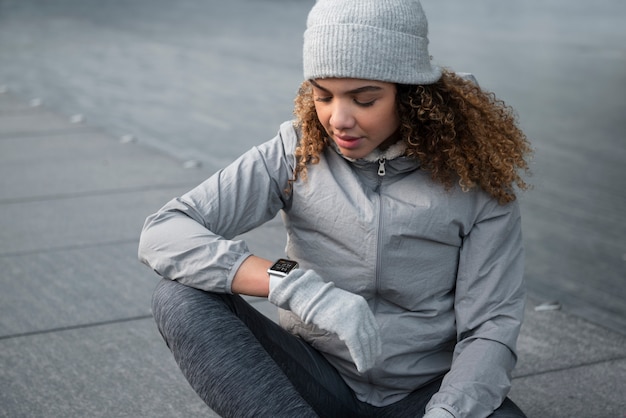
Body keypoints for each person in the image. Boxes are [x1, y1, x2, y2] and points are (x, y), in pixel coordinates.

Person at [138, 0, 533, 416]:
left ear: (412, 96)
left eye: (364, 100)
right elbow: (164, 231)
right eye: (323, 95)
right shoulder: (296, 151)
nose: (337, 119)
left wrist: (448, 412)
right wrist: (294, 284)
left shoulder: (474, 179)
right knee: (180, 299)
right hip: (313, 377)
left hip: (423, 395)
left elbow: (490, 328)